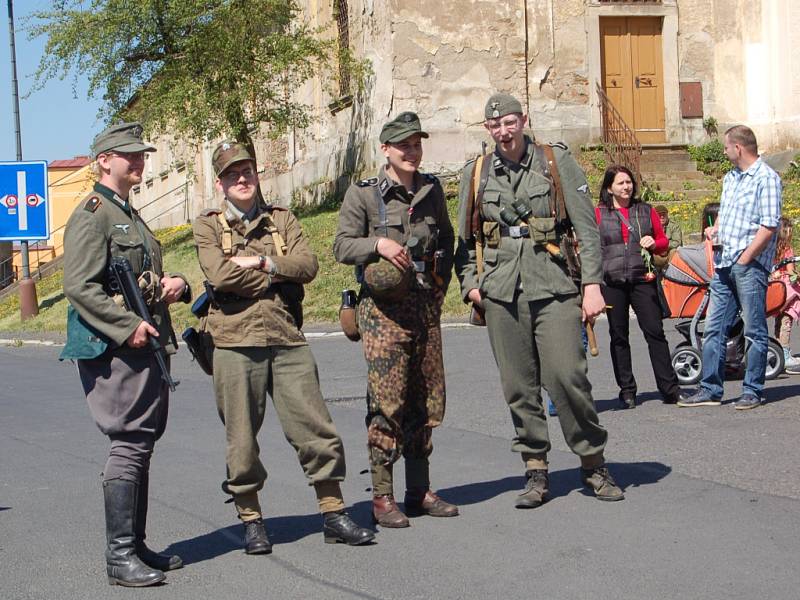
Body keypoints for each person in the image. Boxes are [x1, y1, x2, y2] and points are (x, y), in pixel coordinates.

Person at [192, 141, 374, 553]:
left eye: (248, 171)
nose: (242, 179)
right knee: (241, 438)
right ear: (220, 183)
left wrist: (263, 264)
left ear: (257, 175)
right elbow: (219, 277)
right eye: (232, 174)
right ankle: (252, 520)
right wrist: (276, 278)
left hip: (286, 335)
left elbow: (307, 266)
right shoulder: (207, 226)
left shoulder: (282, 219)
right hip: (234, 341)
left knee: (315, 426)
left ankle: (333, 512)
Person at [454, 92, 624, 509]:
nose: (503, 130)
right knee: (518, 387)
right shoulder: (475, 173)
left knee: (568, 377)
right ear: (487, 129)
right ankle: (535, 469)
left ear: (523, 120)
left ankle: (593, 461)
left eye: (510, 122)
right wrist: (472, 286)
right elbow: (462, 241)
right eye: (495, 125)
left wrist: (592, 286)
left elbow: (586, 228)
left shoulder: (555, 160)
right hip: (501, 292)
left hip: (555, 286)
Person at [61, 122, 190, 586]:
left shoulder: (128, 214)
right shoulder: (93, 214)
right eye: (128, 154)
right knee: (129, 442)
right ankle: (119, 558)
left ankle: (134, 545)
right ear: (104, 160)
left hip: (144, 344)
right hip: (116, 349)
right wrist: (126, 325)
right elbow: (78, 286)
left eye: (141, 154)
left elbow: (134, 279)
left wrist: (172, 282)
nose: (138, 161)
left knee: (143, 445)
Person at [333, 112, 459, 528]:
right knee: (387, 404)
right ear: (385, 149)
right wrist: (379, 243)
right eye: (403, 145)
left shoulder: (432, 189)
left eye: (416, 144)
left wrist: (440, 290)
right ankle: (382, 498)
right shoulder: (364, 194)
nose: (412, 151)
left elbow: (446, 240)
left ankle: (418, 490)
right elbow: (342, 246)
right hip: (383, 313)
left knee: (426, 400)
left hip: (425, 307)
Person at [678, 125, 782, 410]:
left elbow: (770, 224)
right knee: (713, 328)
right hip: (724, 263)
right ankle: (710, 389)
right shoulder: (730, 178)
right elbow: (725, 213)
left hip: (749, 265)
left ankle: (753, 389)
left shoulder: (766, 178)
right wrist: (716, 231)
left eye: (726, 147)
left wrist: (747, 257)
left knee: (754, 330)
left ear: (738, 147)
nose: (724, 152)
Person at [595, 166, 686, 408]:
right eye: (620, 183)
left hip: (642, 279)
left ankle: (669, 388)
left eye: (629, 182)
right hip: (612, 281)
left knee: (655, 332)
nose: (626, 187)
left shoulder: (645, 211)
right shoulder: (598, 214)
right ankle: (627, 390)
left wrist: (655, 242)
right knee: (618, 335)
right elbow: (591, 247)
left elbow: (663, 241)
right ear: (609, 188)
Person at [771, 217, 800, 371]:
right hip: (788, 290)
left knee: (779, 321)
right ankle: (785, 354)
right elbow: (790, 271)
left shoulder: (770, 249)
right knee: (786, 321)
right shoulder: (788, 249)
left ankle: (778, 352)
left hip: (775, 289)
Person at [653, 204, 682, 271]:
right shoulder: (651, 226)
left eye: (664, 215)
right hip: (656, 252)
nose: (662, 217)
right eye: (659, 215)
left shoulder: (674, 226)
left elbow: (677, 242)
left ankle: (671, 271)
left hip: (669, 252)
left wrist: (665, 247)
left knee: (674, 251)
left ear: (667, 215)